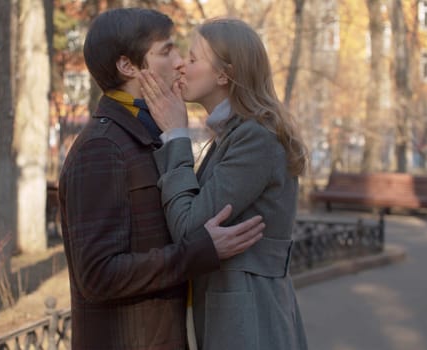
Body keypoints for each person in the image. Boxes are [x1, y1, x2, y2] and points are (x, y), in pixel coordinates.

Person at [58, 9, 265, 350]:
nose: (180, 61)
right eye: (166, 51)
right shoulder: (102, 147)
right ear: (128, 66)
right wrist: (199, 251)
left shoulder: (147, 133)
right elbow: (96, 275)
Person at [139, 18, 309, 350]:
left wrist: (175, 134)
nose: (181, 67)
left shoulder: (254, 138)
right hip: (237, 312)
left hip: (251, 320)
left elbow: (190, 228)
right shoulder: (234, 134)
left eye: (192, 59)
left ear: (222, 74)